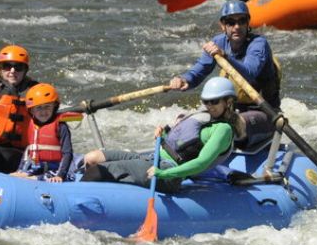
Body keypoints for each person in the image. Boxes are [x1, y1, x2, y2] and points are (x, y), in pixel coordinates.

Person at [80, 78, 244, 193]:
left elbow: (201, 163)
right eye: (206, 101)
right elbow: (182, 141)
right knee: (92, 158)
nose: (209, 106)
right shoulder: (205, 117)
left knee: (97, 171)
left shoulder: (224, 130)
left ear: (228, 102)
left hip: (168, 172)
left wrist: (163, 174)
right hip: (154, 157)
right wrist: (163, 133)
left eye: (214, 101)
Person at [166, 0, 281, 147]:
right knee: (186, 122)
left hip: (264, 113)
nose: (237, 27)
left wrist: (225, 56)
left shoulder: (258, 44)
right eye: (231, 22)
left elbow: (250, 73)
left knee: (230, 125)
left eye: (242, 21)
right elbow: (200, 70)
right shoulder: (218, 42)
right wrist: (184, 79)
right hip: (230, 110)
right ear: (223, 25)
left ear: (248, 23)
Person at [0, 44, 39, 173]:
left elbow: (49, 117)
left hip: (20, 153)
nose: (12, 71)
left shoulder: (35, 95)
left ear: (25, 70)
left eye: (18, 67)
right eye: (7, 66)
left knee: (10, 158)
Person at [10, 83, 75, 182]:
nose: (43, 111)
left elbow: (67, 153)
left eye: (47, 107)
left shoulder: (61, 126)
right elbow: (28, 151)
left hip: (56, 169)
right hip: (37, 166)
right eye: (39, 108)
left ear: (55, 106)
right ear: (31, 110)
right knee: (14, 176)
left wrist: (60, 175)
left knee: (32, 179)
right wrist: (20, 170)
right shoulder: (31, 125)